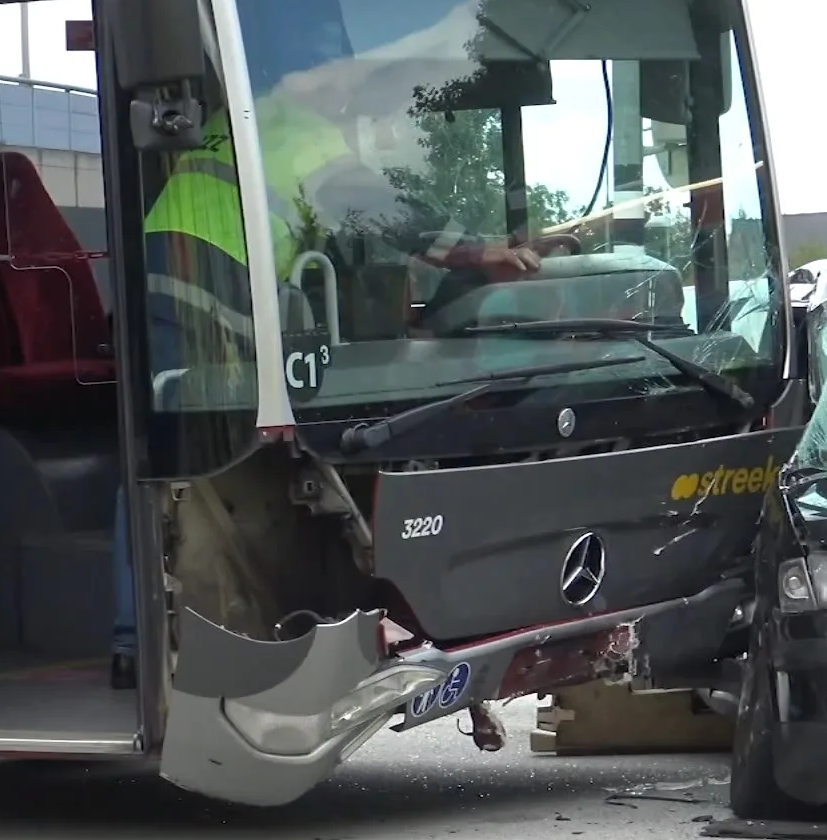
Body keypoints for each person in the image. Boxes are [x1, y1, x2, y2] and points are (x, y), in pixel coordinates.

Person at [108, 90, 545, 684]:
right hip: (194, 282)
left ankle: (145, 637)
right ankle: (139, 640)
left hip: (180, 279)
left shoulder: (251, 115)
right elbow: (376, 207)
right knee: (160, 459)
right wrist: (478, 250)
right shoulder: (297, 126)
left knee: (166, 453)